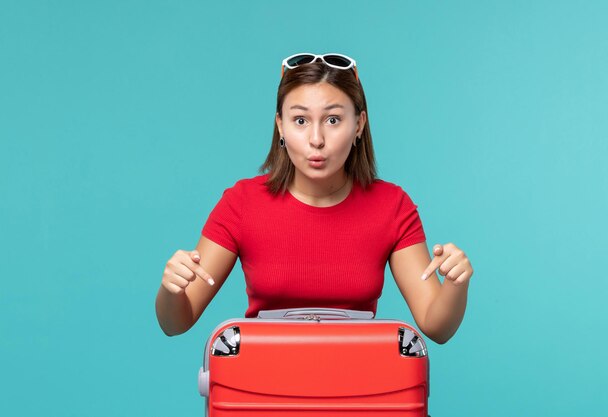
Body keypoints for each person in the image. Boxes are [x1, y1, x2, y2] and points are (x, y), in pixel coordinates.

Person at [155, 53, 474, 343]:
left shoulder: (392, 206)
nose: (316, 139)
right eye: (300, 120)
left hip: (361, 388)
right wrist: (172, 288)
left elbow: (436, 326)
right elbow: (175, 322)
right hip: (261, 388)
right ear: (280, 125)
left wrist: (456, 285)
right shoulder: (242, 203)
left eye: (333, 120)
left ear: (359, 124)